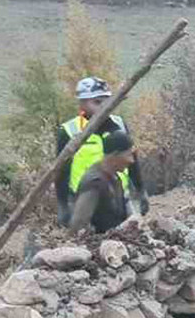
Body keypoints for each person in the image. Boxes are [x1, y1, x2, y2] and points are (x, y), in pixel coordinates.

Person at [56, 76, 148, 227]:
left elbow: (132, 158)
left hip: (117, 195)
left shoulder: (118, 124)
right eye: (97, 102)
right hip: (83, 198)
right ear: (83, 103)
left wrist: (140, 190)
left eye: (106, 100)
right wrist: (63, 205)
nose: (104, 106)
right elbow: (61, 172)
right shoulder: (69, 131)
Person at [67, 131, 136, 235]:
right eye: (128, 155)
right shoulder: (95, 182)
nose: (132, 161)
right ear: (115, 155)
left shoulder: (115, 178)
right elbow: (77, 226)